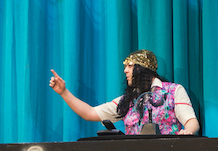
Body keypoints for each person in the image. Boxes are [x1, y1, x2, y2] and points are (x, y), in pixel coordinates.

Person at [49, 49, 200, 135]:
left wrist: (187, 132)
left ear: (142, 68)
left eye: (130, 66)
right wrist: (64, 93)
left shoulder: (173, 91)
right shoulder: (128, 101)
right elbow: (90, 113)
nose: (125, 70)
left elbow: (191, 122)